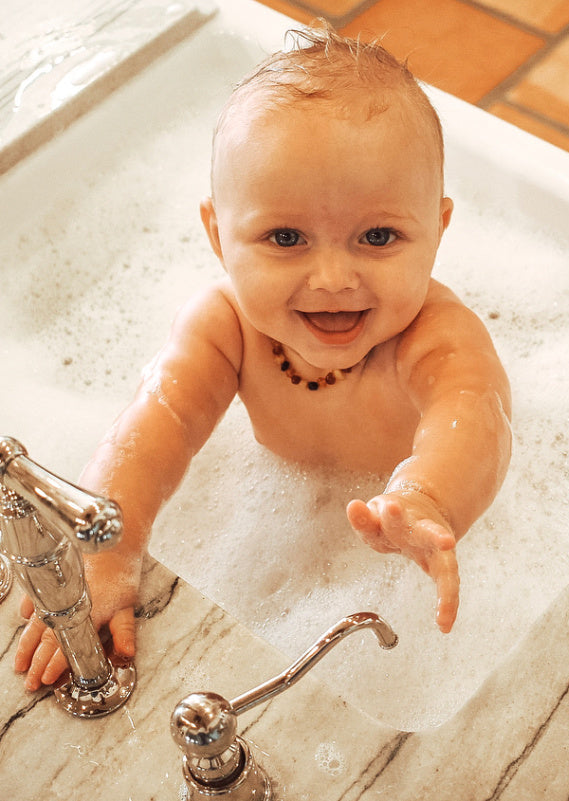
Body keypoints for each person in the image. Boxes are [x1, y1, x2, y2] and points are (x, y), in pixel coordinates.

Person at [14, 25, 512, 691]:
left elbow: (474, 420)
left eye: (378, 235)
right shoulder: (226, 326)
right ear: (220, 236)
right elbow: (153, 425)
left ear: (438, 231)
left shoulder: (436, 335)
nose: (334, 276)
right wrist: (110, 548)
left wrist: (426, 497)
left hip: (389, 544)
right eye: (285, 237)